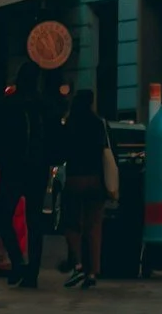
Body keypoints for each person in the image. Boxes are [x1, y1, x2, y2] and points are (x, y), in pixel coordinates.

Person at [0, 66, 48, 289]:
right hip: (37, 170)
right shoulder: (43, 106)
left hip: (13, 169)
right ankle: (32, 271)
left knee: (3, 217)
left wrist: (4, 162)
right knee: (35, 222)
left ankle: (18, 262)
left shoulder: (7, 105)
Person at [58, 89, 112, 291]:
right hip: (95, 180)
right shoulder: (98, 124)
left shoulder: (70, 124)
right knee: (94, 226)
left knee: (72, 223)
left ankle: (78, 263)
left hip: (74, 178)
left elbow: (61, 151)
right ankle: (92, 271)